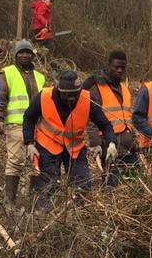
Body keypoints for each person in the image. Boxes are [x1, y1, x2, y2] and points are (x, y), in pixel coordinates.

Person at [22, 71, 117, 203]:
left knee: (82, 186)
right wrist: (30, 144)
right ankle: (42, 216)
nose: (71, 98)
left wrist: (112, 142)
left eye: (74, 94)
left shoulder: (88, 99)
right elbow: (28, 118)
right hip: (48, 144)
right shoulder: (44, 96)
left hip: (74, 147)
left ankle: (78, 217)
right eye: (67, 95)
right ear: (59, 90)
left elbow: (105, 124)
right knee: (48, 186)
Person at [0, 39, 45, 207]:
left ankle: (33, 202)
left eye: (28, 52)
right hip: (15, 124)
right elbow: (0, 97)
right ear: (15, 54)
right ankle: (9, 203)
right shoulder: (6, 73)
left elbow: (45, 102)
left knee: (36, 162)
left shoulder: (40, 77)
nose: (24, 55)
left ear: (32, 55)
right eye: (21, 52)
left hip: (38, 126)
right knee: (15, 162)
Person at [84, 50, 137, 185]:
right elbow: (90, 119)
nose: (119, 70)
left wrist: (134, 139)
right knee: (112, 185)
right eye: (116, 67)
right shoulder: (97, 88)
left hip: (127, 145)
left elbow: (128, 116)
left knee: (134, 183)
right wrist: (95, 143)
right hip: (108, 144)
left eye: (122, 68)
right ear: (108, 65)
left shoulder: (125, 89)